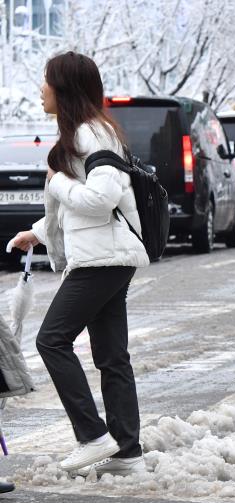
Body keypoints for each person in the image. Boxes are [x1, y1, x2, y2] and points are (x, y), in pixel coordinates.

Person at [8, 52, 149, 476]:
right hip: (105, 255)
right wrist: (39, 230)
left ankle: (93, 436)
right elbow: (82, 202)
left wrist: (59, 181)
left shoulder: (93, 134)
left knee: (51, 340)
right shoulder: (84, 133)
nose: (40, 90)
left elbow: (101, 199)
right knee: (111, 356)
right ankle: (128, 454)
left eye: (46, 81)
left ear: (64, 88)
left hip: (102, 259)